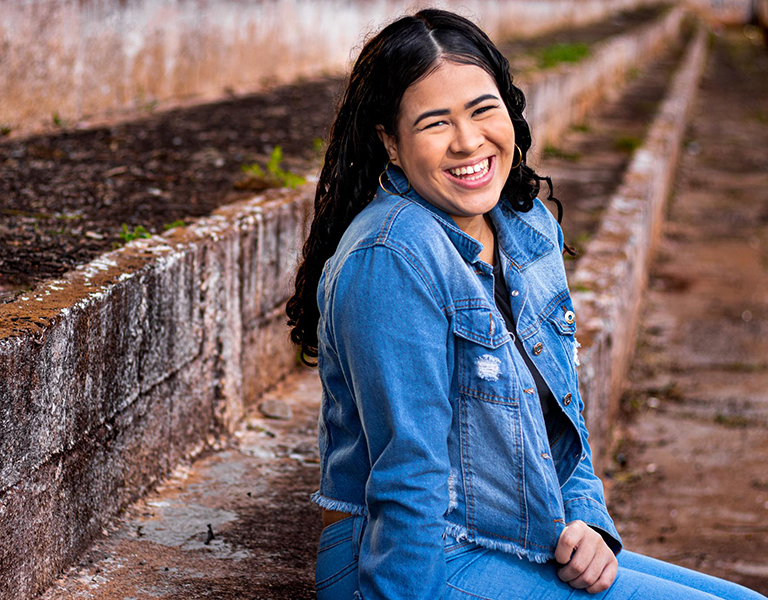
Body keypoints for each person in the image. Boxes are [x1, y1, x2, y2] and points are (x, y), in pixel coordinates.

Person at [284, 8, 767, 600]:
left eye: (483, 110)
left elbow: (562, 420)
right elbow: (409, 479)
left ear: (509, 111)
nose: (468, 142)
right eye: (435, 123)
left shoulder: (524, 226)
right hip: (421, 557)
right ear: (390, 140)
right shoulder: (394, 257)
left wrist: (589, 521)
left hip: (516, 531)